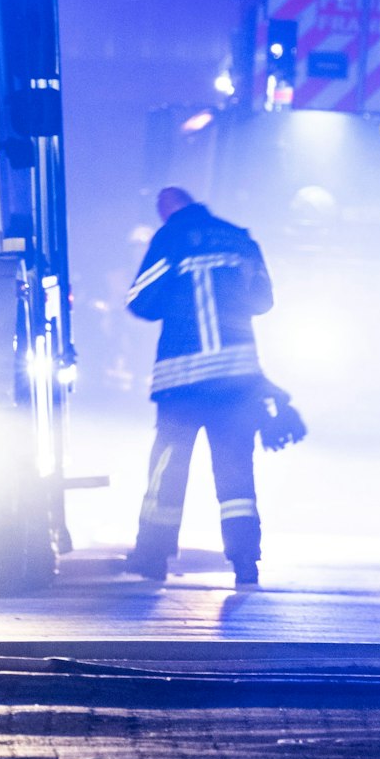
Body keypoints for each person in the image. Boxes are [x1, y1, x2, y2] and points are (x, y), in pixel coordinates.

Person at [124, 186, 293, 588]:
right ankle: (245, 561)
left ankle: (153, 556)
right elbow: (263, 301)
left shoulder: (169, 239)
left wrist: (178, 301)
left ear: (167, 211)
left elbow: (140, 300)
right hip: (236, 381)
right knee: (236, 474)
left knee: (168, 470)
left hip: (182, 383)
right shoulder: (240, 238)